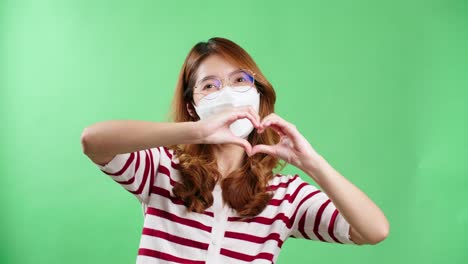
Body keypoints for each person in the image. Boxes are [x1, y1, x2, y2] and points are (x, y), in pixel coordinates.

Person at [81, 37, 389, 263]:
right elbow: (93, 141)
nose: (227, 94)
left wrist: (313, 164)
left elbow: (373, 230)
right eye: (210, 86)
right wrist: (196, 131)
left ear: (257, 94)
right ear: (193, 106)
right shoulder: (162, 170)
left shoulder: (284, 196)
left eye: (239, 80)